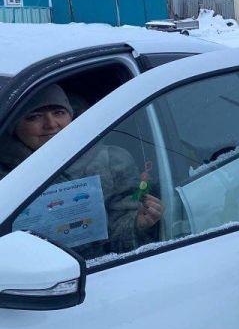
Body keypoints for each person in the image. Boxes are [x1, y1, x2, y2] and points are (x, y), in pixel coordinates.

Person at [0, 83, 164, 255]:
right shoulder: (6, 177)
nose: (51, 124)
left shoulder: (111, 160)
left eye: (59, 113)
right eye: (34, 117)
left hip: (101, 268)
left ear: (71, 116)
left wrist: (138, 224)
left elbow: (120, 234)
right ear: (14, 125)